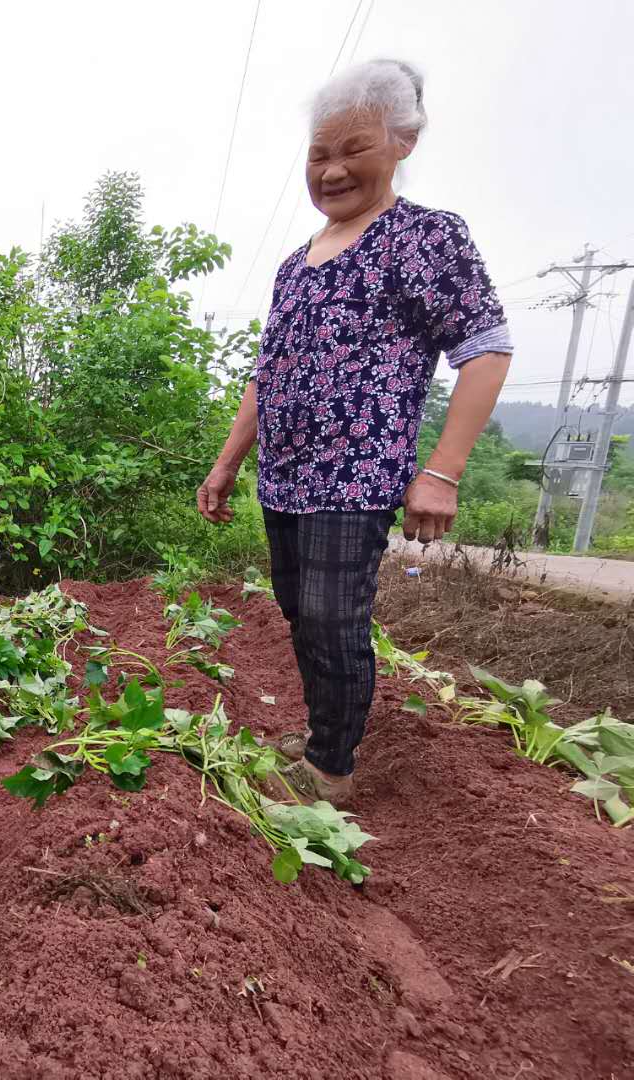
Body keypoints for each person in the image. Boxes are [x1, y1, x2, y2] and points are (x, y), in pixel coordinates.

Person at [197, 60, 512, 805]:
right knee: (302, 614)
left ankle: (329, 771)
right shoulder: (294, 266)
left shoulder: (424, 238)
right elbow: (266, 374)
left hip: (357, 474)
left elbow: (486, 348)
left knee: (337, 620)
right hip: (285, 476)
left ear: (402, 142)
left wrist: (441, 472)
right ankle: (320, 733)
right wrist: (225, 465)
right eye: (318, 154)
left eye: (353, 149)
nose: (332, 169)